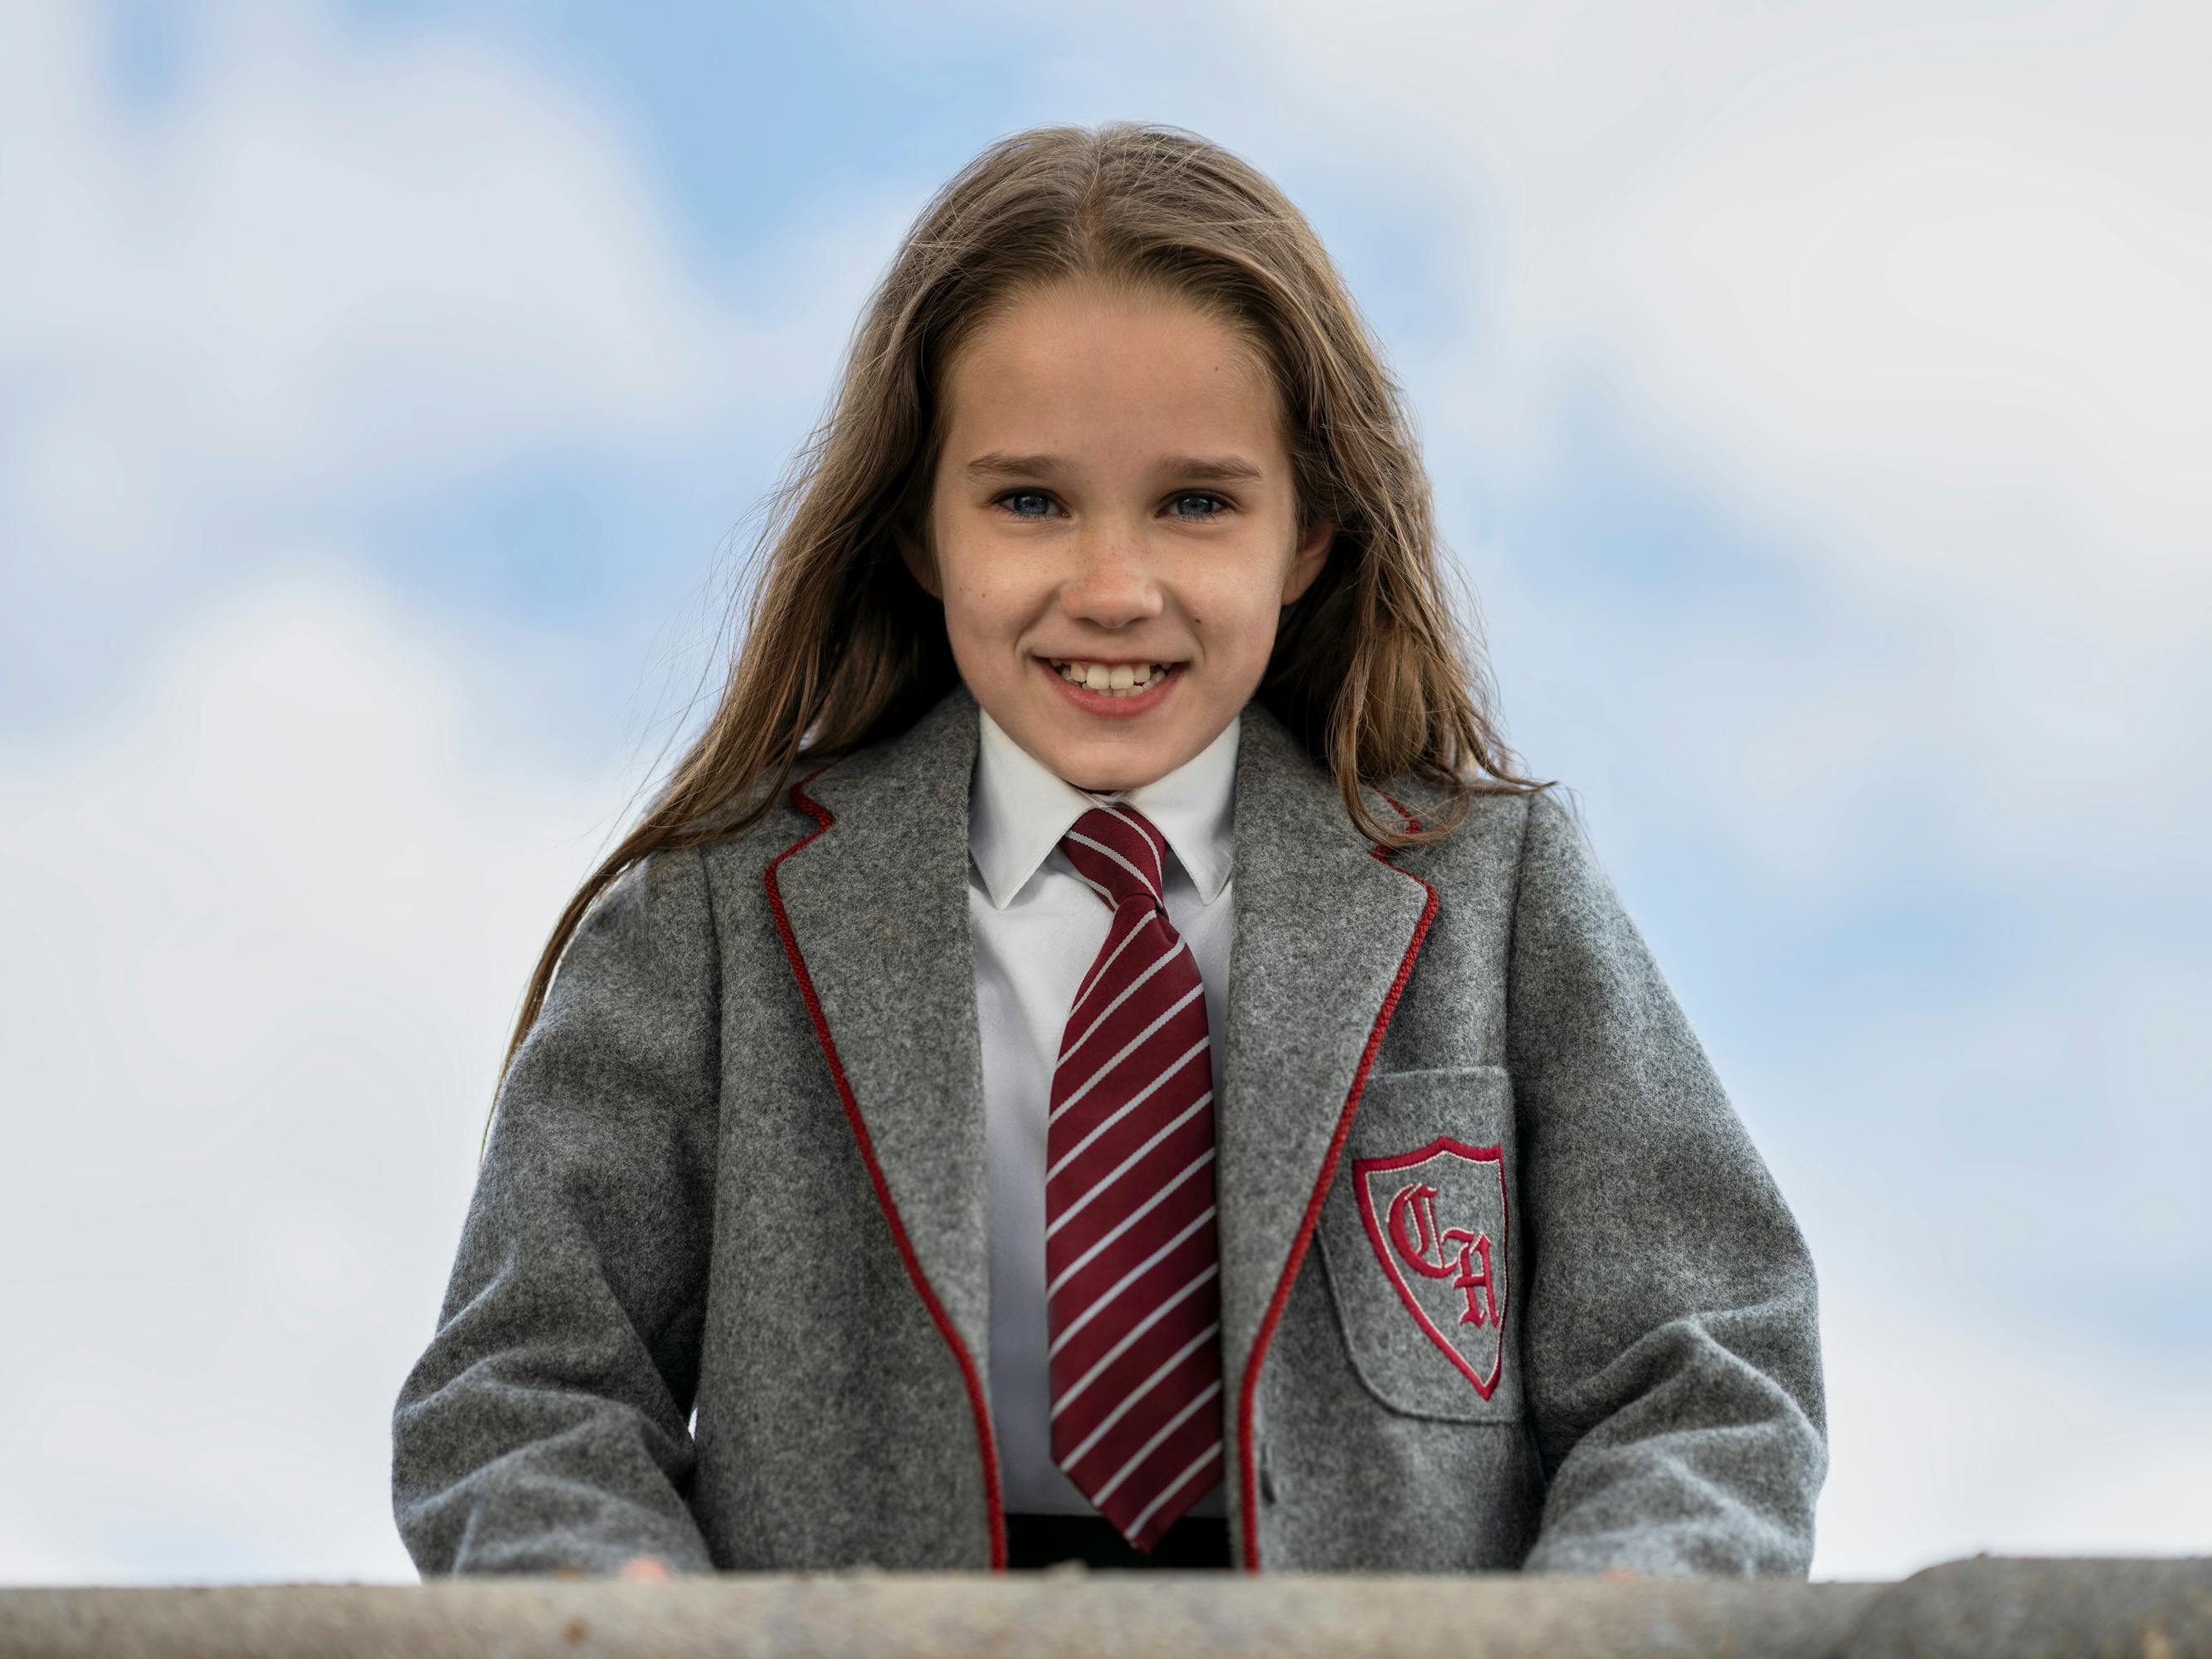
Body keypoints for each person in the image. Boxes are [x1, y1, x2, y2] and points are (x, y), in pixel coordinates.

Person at [390, 120, 1825, 1579]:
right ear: (917, 533)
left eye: (1196, 503)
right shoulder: (707, 922)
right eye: (1028, 502)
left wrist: (1603, 1620)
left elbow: (1706, 1371)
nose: (1115, 587)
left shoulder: (1494, 898)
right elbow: (523, 1393)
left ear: (1312, 535)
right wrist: (609, 1598)